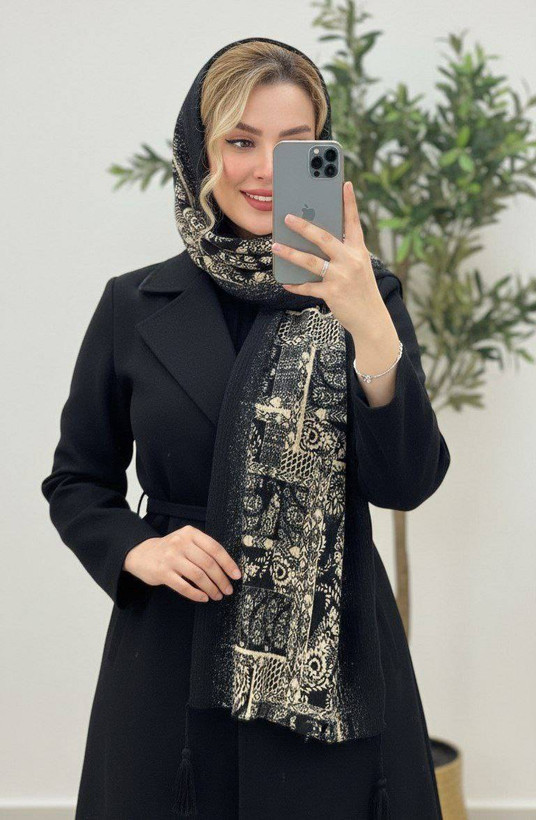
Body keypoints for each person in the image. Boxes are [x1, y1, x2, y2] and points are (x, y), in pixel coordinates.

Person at [41, 36, 450, 819]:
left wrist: (370, 328)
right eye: (240, 141)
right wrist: (139, 548)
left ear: (324, 154)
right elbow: (76, 480)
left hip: (336, 663)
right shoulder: (134, 303)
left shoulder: (368, 297)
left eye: (294, 146)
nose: (265, 170)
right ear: (201, 153)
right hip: (173, 654)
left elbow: (406, 484)